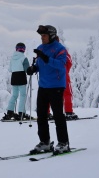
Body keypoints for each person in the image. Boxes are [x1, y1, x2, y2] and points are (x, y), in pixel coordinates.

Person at [27, 25, 70, 154]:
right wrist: (33, 69)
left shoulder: (60, 49)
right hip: (43, 86)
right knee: (41, 115)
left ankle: (63, 143)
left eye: (44, 36)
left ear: (51, 35)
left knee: (58, 115)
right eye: (41, 36)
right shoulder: (41, 48)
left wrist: (45, 58)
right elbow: (39, 65)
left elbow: (61, 65)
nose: (42, 38)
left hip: (56, 86)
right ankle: (45, 142)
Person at [48, 38, 78, 120]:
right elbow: (69, 61)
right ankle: (68, 112)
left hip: (50, 76)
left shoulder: (47, 50)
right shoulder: (61, 49)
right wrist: (65, 70)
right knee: (67, 93)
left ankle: (46, 113)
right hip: (62, 75)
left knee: (49, 94)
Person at [2, 43, 30, 121]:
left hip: (14, 77)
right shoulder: (24, 58)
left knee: (14, 95)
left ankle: (10, 111)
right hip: (21, 77)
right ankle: (21, 112)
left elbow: (10, 69)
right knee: (23, 95)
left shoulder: (12, 58)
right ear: (24, 49)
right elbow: (27, 69)